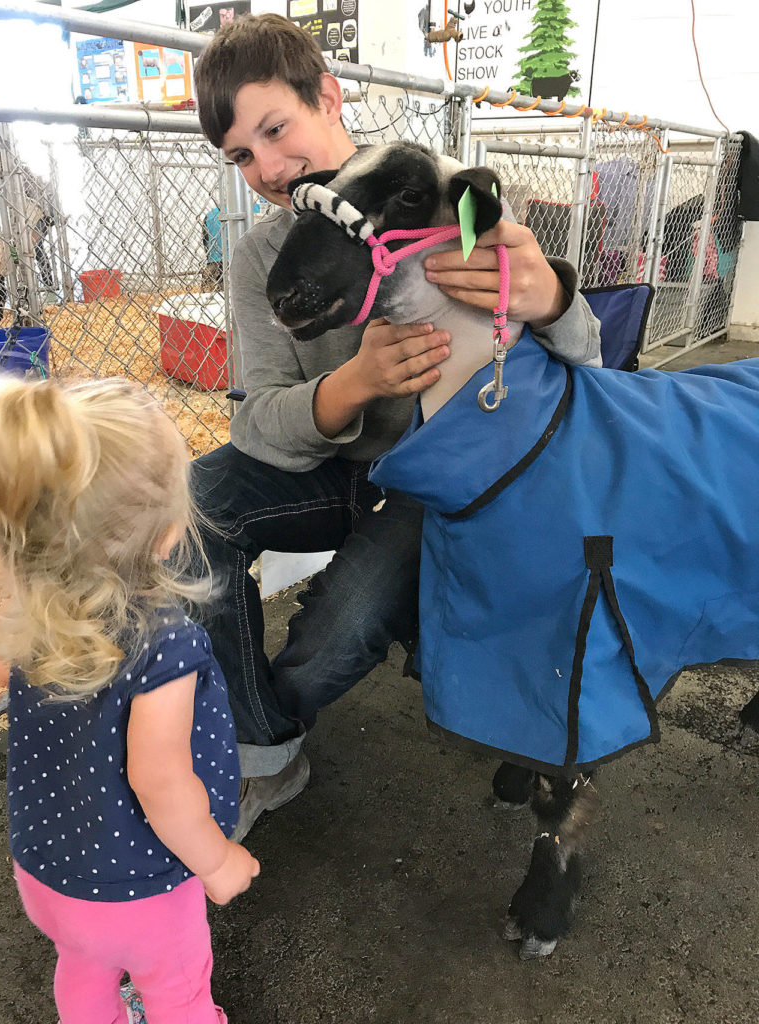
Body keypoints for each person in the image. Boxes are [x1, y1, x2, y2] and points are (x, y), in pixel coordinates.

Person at [191, 13, 602, 843]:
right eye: (241, 155)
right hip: (330, 465)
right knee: (192, 502)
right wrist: (355, 383)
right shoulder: (260, 253)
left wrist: (550, 295)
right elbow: (260, 419)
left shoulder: (446, 199)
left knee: (338, 631)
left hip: (435, 474)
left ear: (328, 96)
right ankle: (265, 756)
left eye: (277, 129)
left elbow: (583, 354)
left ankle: (255, 732)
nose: (268, 168)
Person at [0, 376, 260, 1024]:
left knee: (82, 967)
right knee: (178, 992)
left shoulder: (30, 617)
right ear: (168, 534)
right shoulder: (164, 644)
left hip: (44, 874)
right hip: (135, 892)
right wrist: (218, 861)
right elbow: (160, 782)